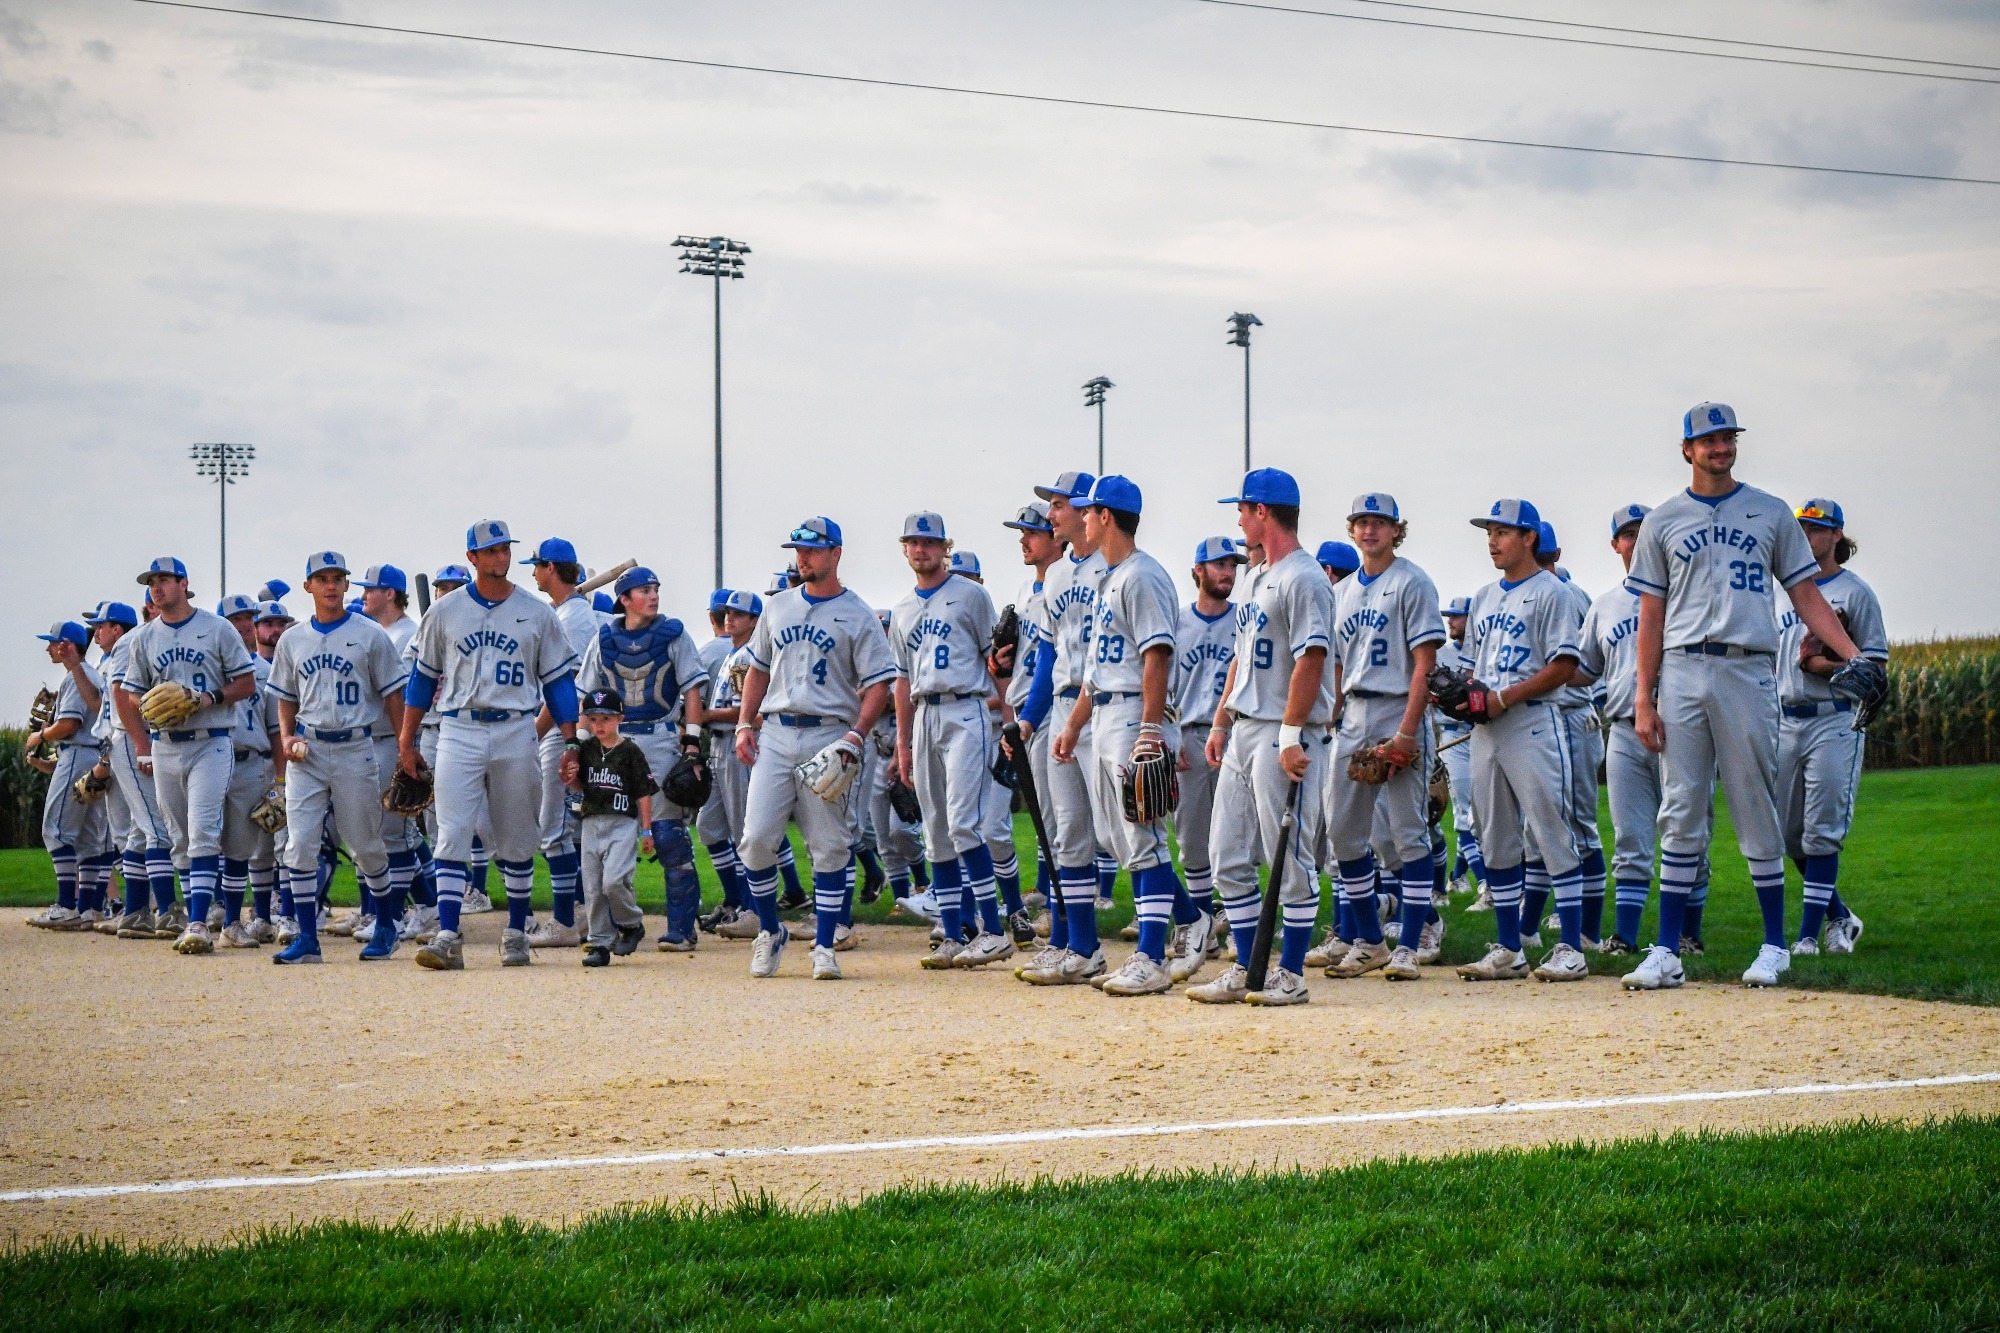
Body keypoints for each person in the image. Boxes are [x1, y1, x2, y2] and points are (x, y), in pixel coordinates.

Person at [1623, 404, 1867, 991]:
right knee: (1679, 808)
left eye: (1727, 437)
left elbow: (1806, 594)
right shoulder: (1663, 520)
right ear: (1687, 449)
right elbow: (1650, 616)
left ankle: (1775, 945)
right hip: (1682, 669)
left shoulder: (1772, 511)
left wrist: (1855, 658)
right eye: (1708, 440)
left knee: (1755, 803)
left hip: (1747, 669)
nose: (1720, 447)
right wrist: (1643, 696)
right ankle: (1665, 950)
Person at [1048, 474, 1202, 997]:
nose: (1082, 519)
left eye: (1088, 512)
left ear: (1106, 517)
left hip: (1136, 713)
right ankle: (1192, 922)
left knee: (1142, 837)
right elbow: (1096, 670)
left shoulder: (1142, 576)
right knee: (1118, 839)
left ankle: (1151, 956)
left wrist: (1152, 729)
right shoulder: (1108, 579)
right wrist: (1073, 725)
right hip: (1107, 711)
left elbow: (1156, 654)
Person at [402, 520, 581, 970]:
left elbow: (558, 684)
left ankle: (517, 932)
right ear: (473, 558)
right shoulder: (444, 612)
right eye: (491, 550)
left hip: (516, 728)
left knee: (517, 835)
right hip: (457, 728)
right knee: (452, 831)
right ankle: (447, 934)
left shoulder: (536, 613)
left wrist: (572, 739)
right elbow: (421, 680)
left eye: (505, 548)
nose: (501, 556)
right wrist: (407, 738)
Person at [1190, 468, 1335, 1005]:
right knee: (1224, 851)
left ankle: (1291, 973)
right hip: (1247, 726)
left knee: (1289, 856)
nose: (1238, 517)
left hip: (1283, 729)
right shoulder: (1254, 577)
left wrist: (1292, 734)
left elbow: (1312, 658)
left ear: (1263, 513)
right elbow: (1241, 657)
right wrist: (1224, 718)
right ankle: (1250, 968)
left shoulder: (1305, 577)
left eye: (1243, 508)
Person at [732, 516, 896, 981]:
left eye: (812, 550)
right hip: (778, 734)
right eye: (798, 550)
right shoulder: (778, 607)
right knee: (757, 840)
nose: (802, 557)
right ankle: (770, 931)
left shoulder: (858, 613)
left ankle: (824, 945)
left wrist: (856, 735)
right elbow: (759, 670)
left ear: (835, 553)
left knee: (828, 846)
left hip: (830, 734)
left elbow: (879, 683)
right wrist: (746, 722)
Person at [1452, 499, 1589, 983]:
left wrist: (1502, 698)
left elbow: (1564, 667)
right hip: (1488, 730)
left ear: (1529, 537)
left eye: (1502, 531)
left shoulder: (1554, 592)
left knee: (1552, 832)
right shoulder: (1484, 596)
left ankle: (1572, 947)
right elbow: (1472, 670)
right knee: (1497, 841)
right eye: (1489, 531)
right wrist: (1457, 695)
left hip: (1533, 722)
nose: (1492, 540)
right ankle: (1511, 948)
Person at [1321, 493, 1447, 981]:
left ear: (1398, 530)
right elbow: (1334, 664)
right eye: (1361, 522)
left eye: (1380, 522)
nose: (1370, 530)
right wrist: (1329, 719)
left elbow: (1425, 665)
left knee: (1408, 833)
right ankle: (1371, 940)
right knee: (1344, 836)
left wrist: (1408, 733)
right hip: (1353, 712)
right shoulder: (1341, 592)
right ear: (1352, 530)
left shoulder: (1412, 582)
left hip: (1398, 707)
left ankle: (1409, 946)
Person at [265, 552, 408, 964]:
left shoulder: (370, 634)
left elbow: (393, 694)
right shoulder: (292, 640)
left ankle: (385, 924)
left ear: (347, 586)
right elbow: (286, 698)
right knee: (300, 844)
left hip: (355, 748)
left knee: (365, 845)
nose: (330, 585)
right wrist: (288, 735)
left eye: (337, 578)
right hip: (307, 753)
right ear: (308, 586)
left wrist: (403, 747)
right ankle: (307, 937)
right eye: (321, 578)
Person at [115, 557, 257, 955]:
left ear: (184, 584)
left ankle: (197, 922)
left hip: (211, 740)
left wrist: (208, 697)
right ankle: (202, 916)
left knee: (203, 830)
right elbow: (130, 693)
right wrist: (149, 710)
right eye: (152, 582)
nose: (156, 588)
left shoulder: (216, 627)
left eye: (164, 580)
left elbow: (245, 682)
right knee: (178, 838)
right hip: (165, 744)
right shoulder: (145, 637)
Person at [889, 512, 1009, 970]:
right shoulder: (901, 609)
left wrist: (1011, 720)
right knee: (936, 830)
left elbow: (997, 662)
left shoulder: (972, 596)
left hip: (966, 708)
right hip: (924, 715)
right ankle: (954, 934)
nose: (921, 550)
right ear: (904, 548)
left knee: (963, 822)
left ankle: (993, 931)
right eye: (913, 542)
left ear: (944, 548)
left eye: (929, 542)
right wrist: (903, 744)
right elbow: (901, 682)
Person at [571, 565, 711, 950]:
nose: (653, 595)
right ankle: (621, 925)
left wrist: (693, 743)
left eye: (655, 589)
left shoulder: (673, 633)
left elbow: (692, 689)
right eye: (644, 590)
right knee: (609, 838)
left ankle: (681, 929)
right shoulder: (604, 638)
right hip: (611, 742)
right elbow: (588, 696)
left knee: (666, 835)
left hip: (659, 739)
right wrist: (580, 747)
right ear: (624, 599)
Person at [1015, 471, 1113, 985]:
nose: (1050, 514)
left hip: (1104, 707)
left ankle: (1187, 919)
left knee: (1120, 832)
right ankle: (1081, 945)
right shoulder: (1055, 576)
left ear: (1086, 510)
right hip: (1061, 705)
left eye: (1058, 504)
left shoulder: (1111, 566)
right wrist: (1031, 718)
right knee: (1069, 834)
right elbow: (1050, 653)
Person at [1778, 498, 1887, 957]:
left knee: (1821, 831)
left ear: (1836, 536)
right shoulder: (1782, 592)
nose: (1806, 535)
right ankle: (1839, 913)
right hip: (1783, 720)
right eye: (1801, 527)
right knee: (1785, 834)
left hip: (1834, 720)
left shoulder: (1854, 592)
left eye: (1816, 529)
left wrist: (1823, 665)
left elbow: (1873, 667)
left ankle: (1810, 935)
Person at [1519, 520, 1606, 950]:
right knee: (1539, 829)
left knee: (1577, 826)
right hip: (1545, 718)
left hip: (1572, 717)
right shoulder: (1533, 594)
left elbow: (1571, 667)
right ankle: (1527, 928)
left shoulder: (1565, 596)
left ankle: (1588, 932)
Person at [1167, 534, 1245, 976]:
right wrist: (1169, 734)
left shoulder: (1244, 619)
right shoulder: (1177, 621)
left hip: (1236, 736)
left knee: (1239, 839)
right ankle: (1199, 925)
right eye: (1218, 565)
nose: (1227, 572)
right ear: (1198, 570)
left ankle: (1234, 921)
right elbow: (1162, 681)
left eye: (1232, 565)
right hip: (1189, 737)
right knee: (1193, 842)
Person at [520, 538, 597, 949]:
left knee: (554, 830)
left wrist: (537, 730)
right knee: (570, 828)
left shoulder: (573, 619)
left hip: (561, 730)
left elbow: (563, 686)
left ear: (551, 568)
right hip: (568, 729)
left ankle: (566, 921)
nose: (532, 572)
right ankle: (583, 912)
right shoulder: (568, 614)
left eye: (536, 566)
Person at [994, 501, 1063, 950]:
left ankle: (1066, 935)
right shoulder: (1026, 589)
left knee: (1065, 833)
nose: (1024, 538)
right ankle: (1063, 930)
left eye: (1032, 532)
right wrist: (1000, 662)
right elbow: (1023, 661)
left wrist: (1028, 721)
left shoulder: (1065, 586)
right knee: (1050, 832)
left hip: (1052, 711)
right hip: (1026, 711)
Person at [81, 602, 169, 939]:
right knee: (140, 830)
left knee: (145, 829)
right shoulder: (120, 651)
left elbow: (120, 698)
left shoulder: (126, 647)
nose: (96, 631)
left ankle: (149, 910)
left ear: (117, 628)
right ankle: (143, 911)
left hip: (133, 743)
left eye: (101, 625)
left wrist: (140, 746)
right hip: (124, 743)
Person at [25, 621, 110, 929]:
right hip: (94, 756)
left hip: (77, 754)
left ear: (68, 646)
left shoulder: (77, 676)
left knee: (56, 831)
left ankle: (65, 906)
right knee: (89, 839)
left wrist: (41, 736)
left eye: (53, 642)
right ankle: (87, 909)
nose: (49, 647)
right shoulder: (92, 674)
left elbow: (70, 724)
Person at [565, 689, 657, 966]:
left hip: (622, 823)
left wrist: (647, 830)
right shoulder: (588, 750)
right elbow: (581, 785)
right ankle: (599, 943)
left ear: (620, 718)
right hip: (592, 821)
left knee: (614, 881)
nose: (599, 725)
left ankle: (631, 923)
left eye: (605, 718)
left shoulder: (630, 751)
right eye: (593, 719)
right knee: (592, 888)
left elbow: (643, 792)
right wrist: (571, 781)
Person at [214, 593, 283, 947]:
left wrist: (281, 778)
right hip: (211, 758)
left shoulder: (266, 672)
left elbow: (276, 729)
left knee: (253, 846)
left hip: (253, 762)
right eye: (234, 618)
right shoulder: (210, 666)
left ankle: (246, 920)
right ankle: (204, 915)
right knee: (203, 840)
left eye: (247, 617)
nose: (242, 624)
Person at [701, 591, 766, 938]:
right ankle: (738, 900)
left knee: (745, 831)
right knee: (709, 825)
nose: (731, 618)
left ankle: (753, 909)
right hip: (720, 747)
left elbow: (750, 715)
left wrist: (705, 715)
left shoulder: (749, 656)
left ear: (755, 621)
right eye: (728, 613)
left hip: (738, 747)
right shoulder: (733, 653)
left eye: (740, 614)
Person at [1436, 595, 1485, 903]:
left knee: (1483, 814)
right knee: (1465, 812)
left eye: (1457, 616)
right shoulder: (1441, 654)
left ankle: (1456, 878)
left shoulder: (1485, 652)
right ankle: (1486, 884)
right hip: (1452, 739)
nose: (1450, 621)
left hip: (1482, 735)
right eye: (1449, 616)